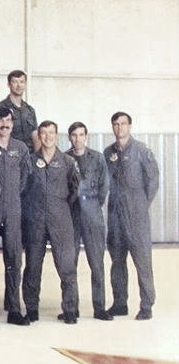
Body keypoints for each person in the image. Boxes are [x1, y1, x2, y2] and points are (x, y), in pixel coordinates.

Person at [20, 121, 81, 324]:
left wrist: (60, 206)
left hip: (60, 218)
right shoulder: (29, 161)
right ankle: (31, 309)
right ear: (38, 136)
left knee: (66, 265)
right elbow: (23, 189)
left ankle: (70, 310)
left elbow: (74, 189)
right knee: (33, 266)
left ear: (57, 135)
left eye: (51, 133)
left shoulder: (67, 161)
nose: (47, 137)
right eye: (43, 133)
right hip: (34, 220)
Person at [104, 111, 159, 320]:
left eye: (123, 124)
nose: (120, 128)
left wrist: (142, 204)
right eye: (116, 124)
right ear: (112, 127)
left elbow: (153, 179)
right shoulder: (108, 152)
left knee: (142, 261)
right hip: (115, 214)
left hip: (136, 214)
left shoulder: (141, 150)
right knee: (117, 261)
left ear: (130, 126)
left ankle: (146, 305)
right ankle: (120, 303)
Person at [0, 106, 32, 325]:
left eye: (8, 120)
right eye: (0, 120)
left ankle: (13, 308)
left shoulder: (20, 148)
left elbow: (26, 178)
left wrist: (12, 198)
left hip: (12, 208)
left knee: (14, 258)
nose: (5, 124)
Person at [66, 122, 113, 320]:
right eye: (74, 135)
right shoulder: (65, 158)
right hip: (72, 214)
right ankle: (71, 308)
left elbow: (104, 187)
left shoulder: (98, 158)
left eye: (81, 135)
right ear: (69, 138)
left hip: (92, 213)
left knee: (96, 263)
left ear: (86, 136)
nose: (78, 139)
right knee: (70, 263)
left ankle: (99, 307)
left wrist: (92, 205)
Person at [0, 70, 39, 152]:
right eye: (15, 82)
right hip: (9, 156)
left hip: (29, 156)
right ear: (9, 84)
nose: (19, 86)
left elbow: (35, 136)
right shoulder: (0, 108)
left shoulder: (30, 110)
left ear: (25, 85)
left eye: (22, 82)